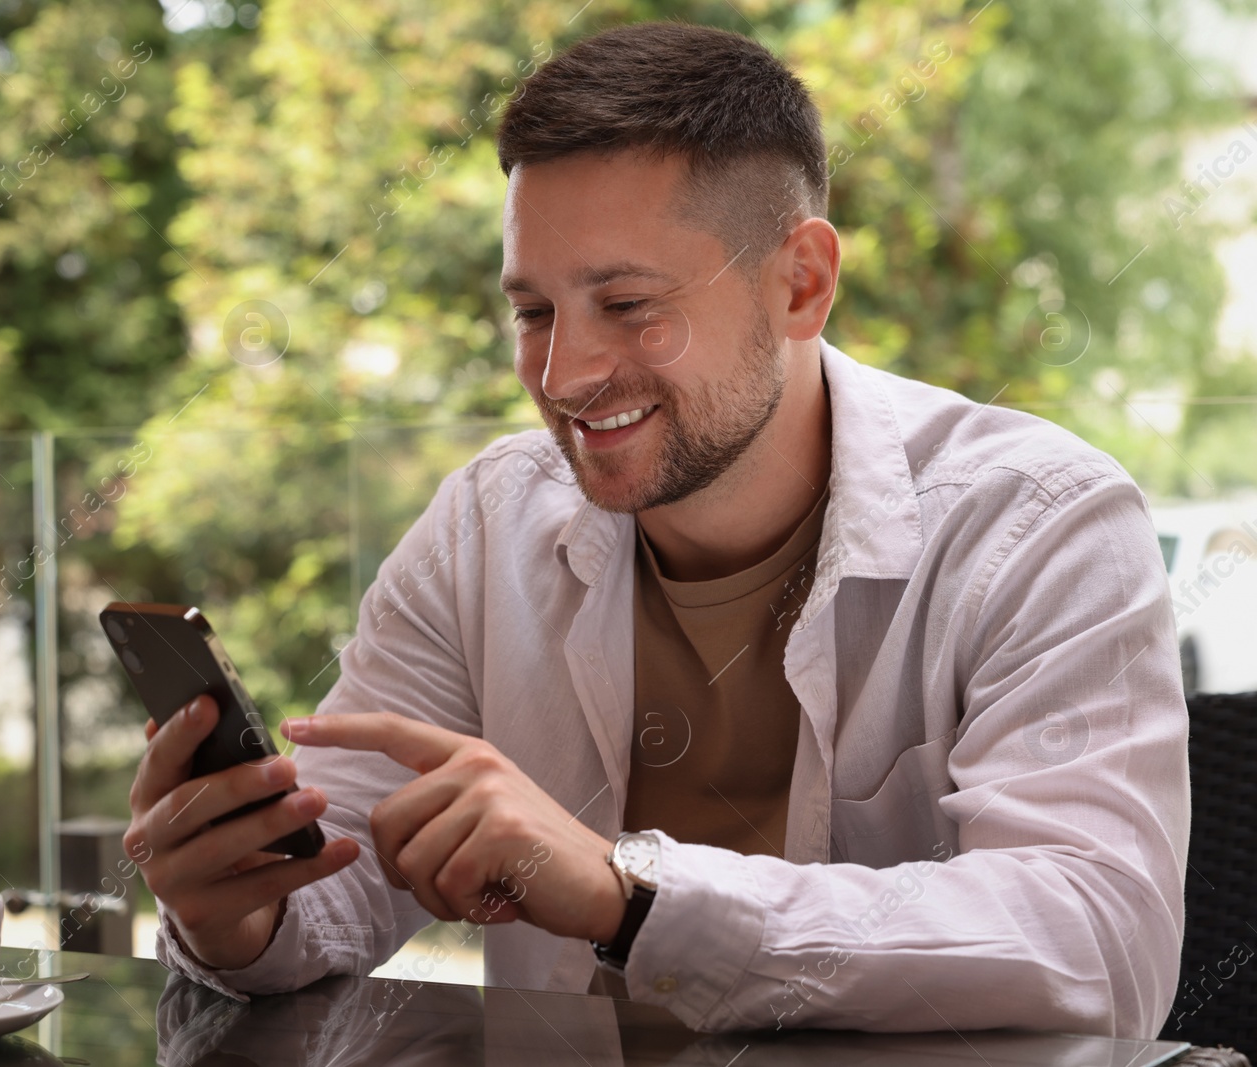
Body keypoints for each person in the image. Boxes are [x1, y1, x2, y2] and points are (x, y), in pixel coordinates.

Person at [124, 21, 1188, 1036]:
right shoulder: (483, 530)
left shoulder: (1039, 521)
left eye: (628, 304)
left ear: (800, 284)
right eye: (533, 311)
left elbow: (1096, 943)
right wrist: (238, 909)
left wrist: (630, 892)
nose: (562, 374)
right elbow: (329, 898)